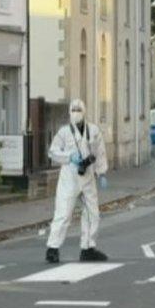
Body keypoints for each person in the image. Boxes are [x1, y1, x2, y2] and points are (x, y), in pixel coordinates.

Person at [44, 99, 109, 264]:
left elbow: (100, 152)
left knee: (92, 213)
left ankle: (87, 248)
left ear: (84, 111)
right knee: (63, 213)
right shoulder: (64, 132)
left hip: (87, 176)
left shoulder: (93, 131)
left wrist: (101, 173)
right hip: (69, 176)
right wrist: (69, 157)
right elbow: (52, 152)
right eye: (73, 109)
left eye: (78, 109)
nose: (76, 112)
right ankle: (52, 248)